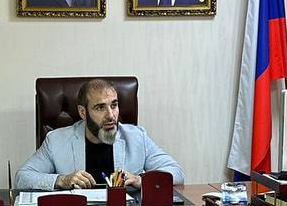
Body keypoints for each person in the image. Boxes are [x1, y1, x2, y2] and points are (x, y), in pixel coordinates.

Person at [15, 78, 184, 190]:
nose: (111, 115)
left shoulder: (137, 137)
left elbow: (176, 172)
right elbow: (22, 178)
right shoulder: (56, 140)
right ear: (83, 112)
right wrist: (62, 180)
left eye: (114, 105)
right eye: (100, 107)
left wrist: (141, 179)